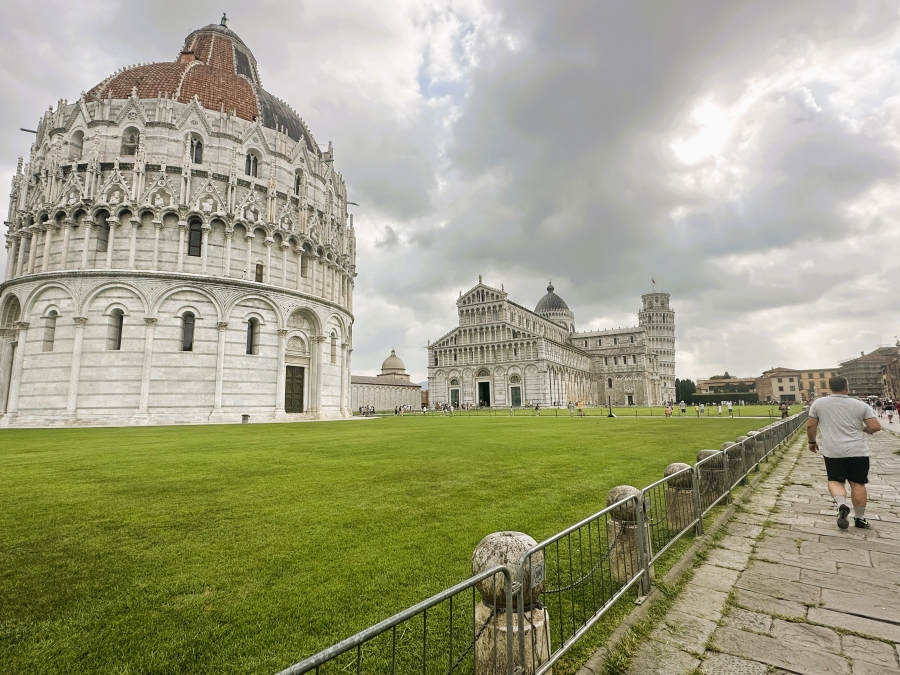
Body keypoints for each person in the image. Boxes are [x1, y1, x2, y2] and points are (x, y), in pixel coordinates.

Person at [807, 375, 881, 530]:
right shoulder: (860, 405)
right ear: (846, 386)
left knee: (835, 480)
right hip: (858, 450)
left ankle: (842, 505)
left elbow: (811, 426)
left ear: (830, 387)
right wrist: (863, 429)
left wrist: (812, 442)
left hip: (833, 451)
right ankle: (860, 519)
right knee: (858, 483)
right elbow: (875, 426)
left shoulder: (819, 403)